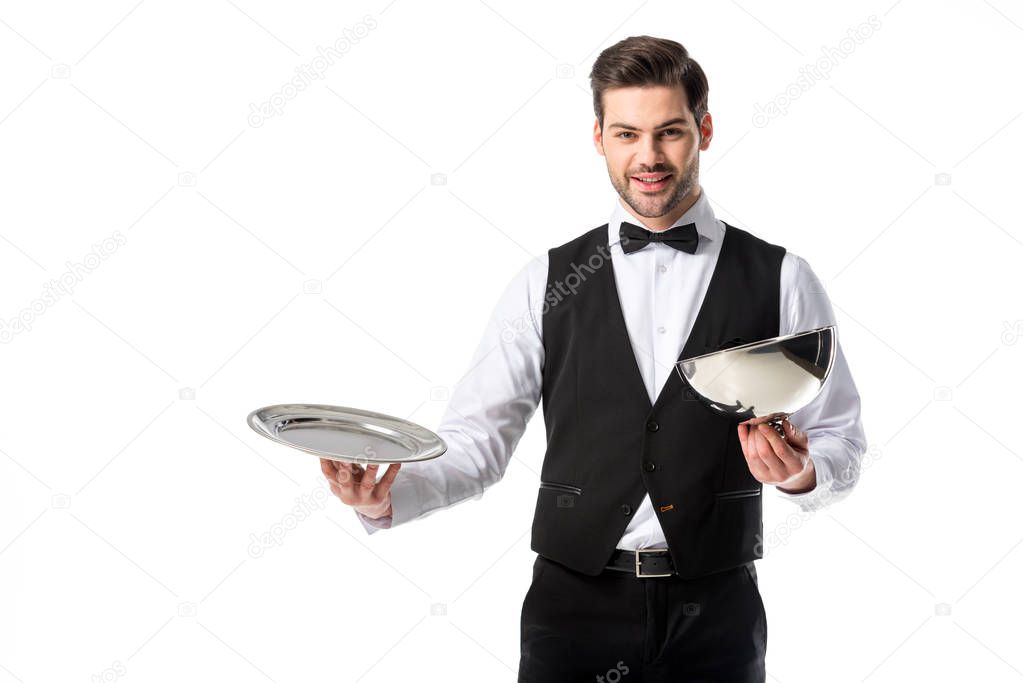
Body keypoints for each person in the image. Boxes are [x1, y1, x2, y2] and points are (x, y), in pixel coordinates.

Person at [321, 34, 867, 682]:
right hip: (570, 611)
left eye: (668, 132)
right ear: (598, 137)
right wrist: (386, 495)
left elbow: (840, 437)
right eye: (626, 134)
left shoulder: (780, 276)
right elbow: (476, 441)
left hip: (716, 610)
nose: (648, 157)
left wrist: (800, 472)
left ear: (705, 128)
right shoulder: (543, 281)